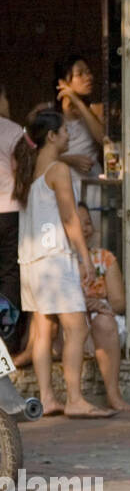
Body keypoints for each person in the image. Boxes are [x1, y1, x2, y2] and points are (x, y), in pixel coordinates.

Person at [13, 107, 115, 418]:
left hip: (31, 260)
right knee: (77, 327)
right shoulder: (58, 170)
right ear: (52, 136)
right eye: (65, 131)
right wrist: (85, 257)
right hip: (55, 259)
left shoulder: (27, 170)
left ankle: (48, 398)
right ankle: (75, 398)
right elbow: (70, 217)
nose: (69, 135)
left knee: (43, 331)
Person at [75, 202, 130, 411]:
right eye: (78, 223)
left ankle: (113, 394)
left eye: (88, 223)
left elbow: (119, 303)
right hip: (72, 322)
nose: (85, 228)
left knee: (105, 321)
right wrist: (82, 304)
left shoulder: (104, 258)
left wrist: (98, 306)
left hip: (102, 320)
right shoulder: (60, 260)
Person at [54, 55, 107, 205]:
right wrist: (70, 160)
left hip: (92, 187)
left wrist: (78, 102)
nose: (88, 77)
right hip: (63, 187)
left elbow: (104, 138)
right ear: (63, 82)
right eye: (80, 74)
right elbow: (39, 156)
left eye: (89, 72)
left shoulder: (96, 110)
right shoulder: (53, 116)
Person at [0, 85, 23, 352]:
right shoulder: (14, 131)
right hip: (9, 213)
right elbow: (23, 173)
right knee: (8, 275)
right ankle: (7, 340)